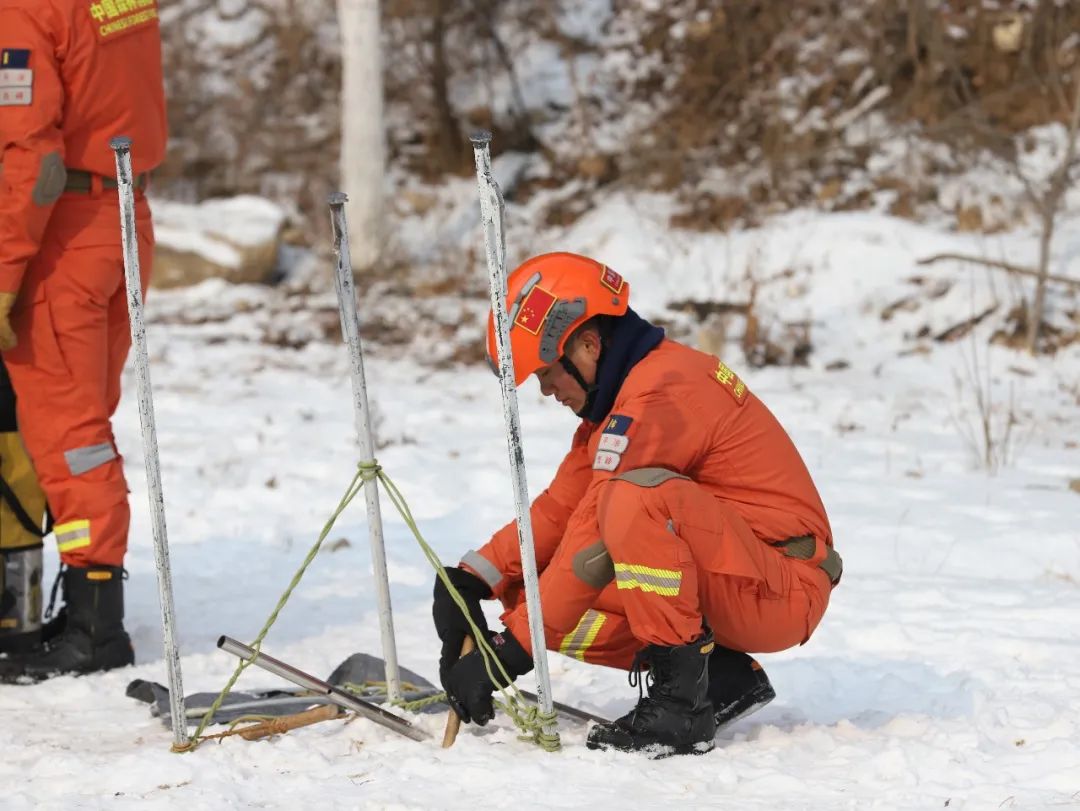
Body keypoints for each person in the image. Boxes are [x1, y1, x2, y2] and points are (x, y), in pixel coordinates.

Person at [432, 252, 841, 756]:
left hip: (782, 588)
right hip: (739, 575)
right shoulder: (621, 401)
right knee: (528, 590)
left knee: (634, 502)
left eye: (546, 373)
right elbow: (563, 508)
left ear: (586, 345)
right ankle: (717, 678)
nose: (545, 390)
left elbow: (590, 540)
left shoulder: (661, 395)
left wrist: (510, 652)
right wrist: (475, 577)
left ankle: (679, 710)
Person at [0, 0, 167, 682]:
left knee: (69, 433)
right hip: (126, 217)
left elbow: (31, 159)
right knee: (80, 425)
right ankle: (85, 599)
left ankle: (95, 622)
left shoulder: (24, 11)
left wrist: (4, 275)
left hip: (60, 233)